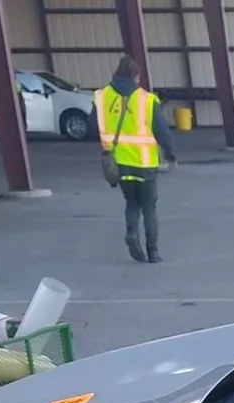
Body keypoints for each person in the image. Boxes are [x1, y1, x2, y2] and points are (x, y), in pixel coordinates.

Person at [95, 56, 177, 263]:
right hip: (144, 164)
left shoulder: (102, 96)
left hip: (118, 163)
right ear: (136, 77)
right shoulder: (147, 100)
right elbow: (162, 131)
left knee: (131, 203)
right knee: (149, 207)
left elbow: (93, 123)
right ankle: (153, 252)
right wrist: (171, 155)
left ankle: (132, 232)